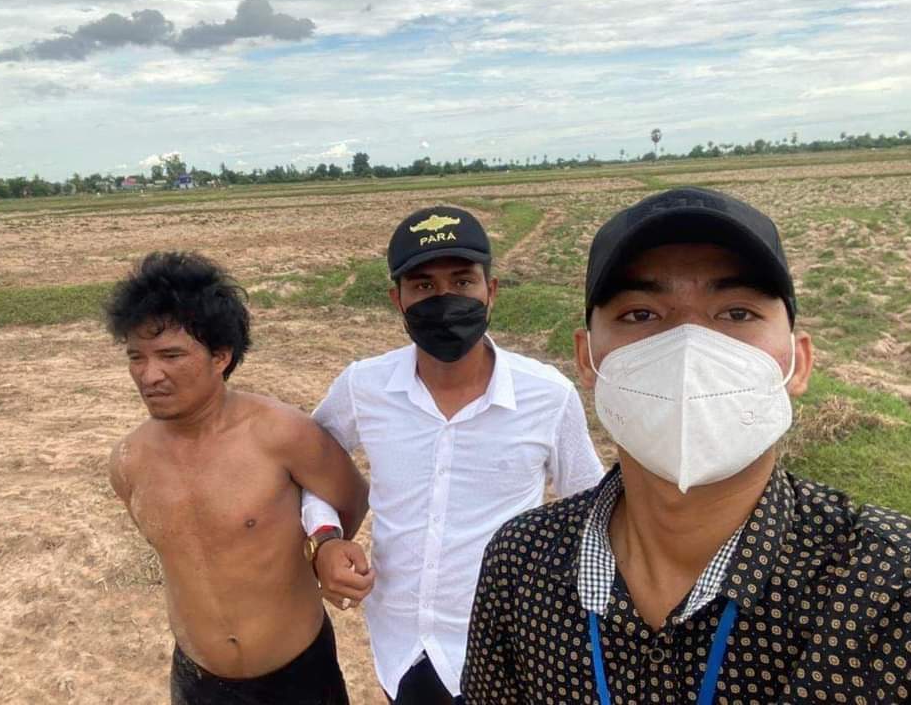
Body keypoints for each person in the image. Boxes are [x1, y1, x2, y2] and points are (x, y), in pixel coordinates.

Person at [462, 187, 911, 704]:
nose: (689, 347)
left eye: (736, 313)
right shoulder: (519, 564)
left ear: (798, 363)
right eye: (641, 314)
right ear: (587, 360)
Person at [300, 206, 606, 704]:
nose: (445, 299)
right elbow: (309, 467)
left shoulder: (547, 395)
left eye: (462, 282)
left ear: (491, 291)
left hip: (506, 645)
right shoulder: (363, 386)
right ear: (397, 300)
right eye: (423, 286)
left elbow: (591, 506)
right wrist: (326, 540)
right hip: (400, 642)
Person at [104, 251, 369, 705]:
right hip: (197, 679)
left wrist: (323, 547)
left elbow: (351, 499)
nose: (149, 375)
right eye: (136, 357)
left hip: (298, 675)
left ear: (221, 356)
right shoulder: (129, 461)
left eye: (171, 355)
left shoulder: (284, 433)